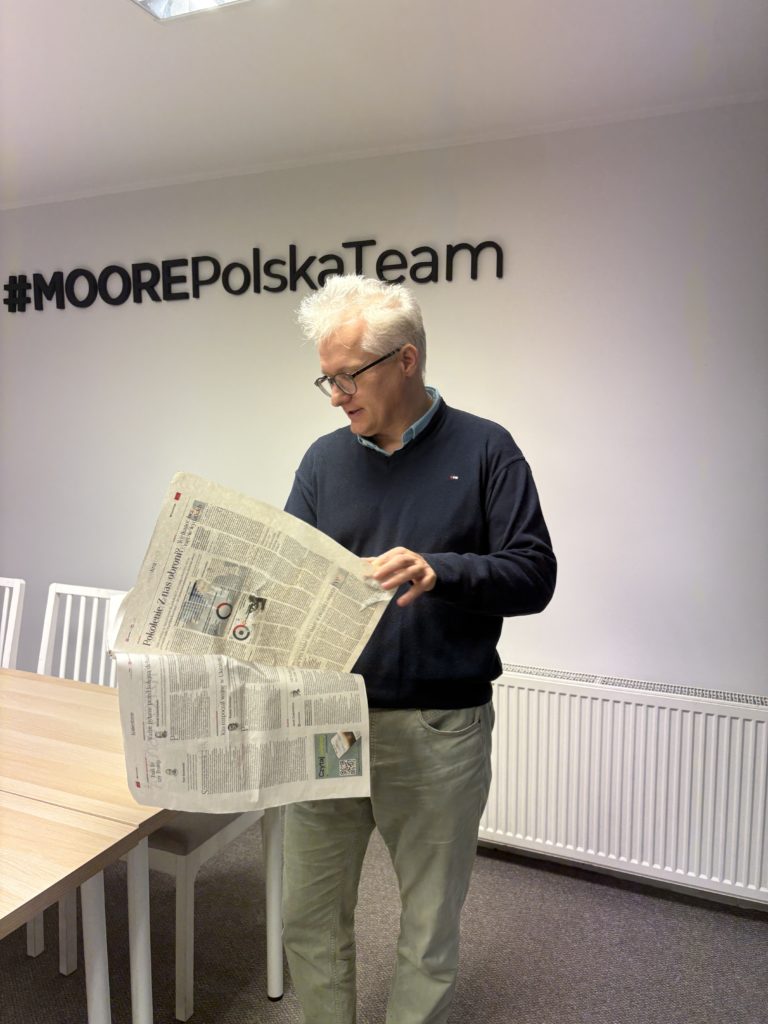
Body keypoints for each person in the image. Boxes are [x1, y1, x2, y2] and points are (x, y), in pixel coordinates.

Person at [283, 275, 556, 1024]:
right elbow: (294, 570)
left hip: (437, 729)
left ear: (405, 360)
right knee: (308, 917)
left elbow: (534, 574)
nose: (336, 396)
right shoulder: (322, 461)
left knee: (428, 931)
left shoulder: (487, 448)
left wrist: (442, 570)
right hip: (330, 719)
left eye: (348, 376)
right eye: (327, 379)